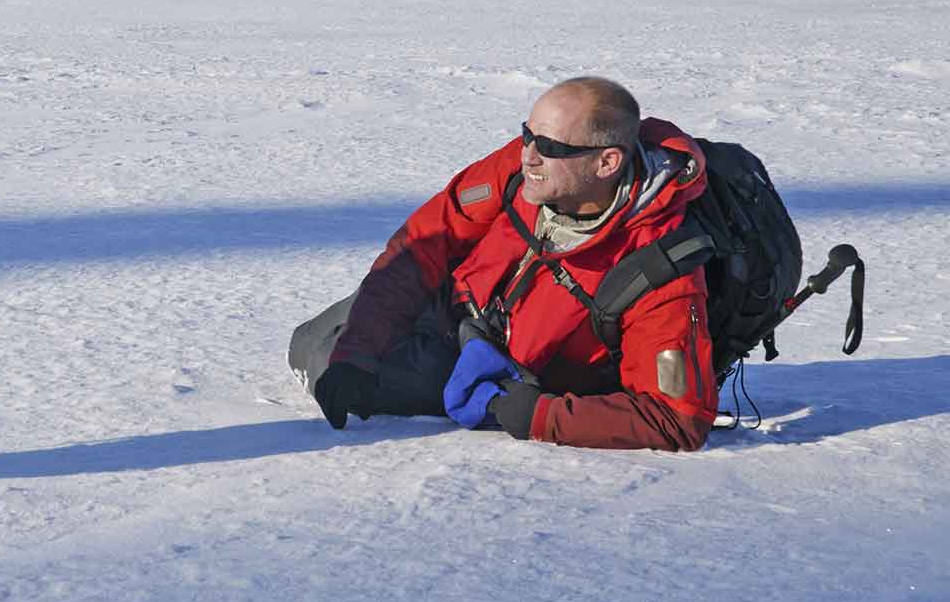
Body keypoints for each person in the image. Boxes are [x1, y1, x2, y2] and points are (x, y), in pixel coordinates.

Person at [289, 76, 717, 451]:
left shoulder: (659, 267)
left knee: (319, 355)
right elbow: (422, 246)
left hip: (500, 373)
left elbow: (676, 419)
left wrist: (537, 415)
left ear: (607, 162)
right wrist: (359, 352)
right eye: (527, 134)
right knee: (315, 346)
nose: (528, 155)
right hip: (452, 311)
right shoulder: (519, 170)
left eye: (549, 146)